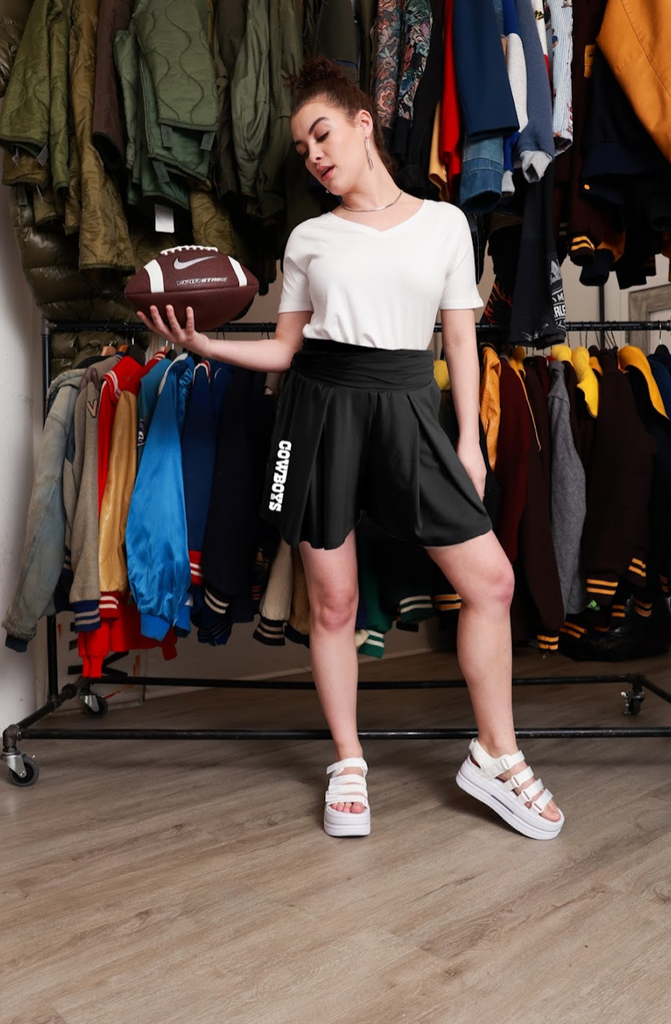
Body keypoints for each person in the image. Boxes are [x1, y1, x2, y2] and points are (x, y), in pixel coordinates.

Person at [135, 56, 564, 842]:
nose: (314, 156)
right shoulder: (309, 238)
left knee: (492, 582)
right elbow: (287, 348)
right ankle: (348, 763)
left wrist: (468, 441)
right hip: (319, 411)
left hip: (408, 406)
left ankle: (496, 756)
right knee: (332, 602)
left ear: (364, 124)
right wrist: (207, 345)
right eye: (303, 149)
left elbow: (459, 339)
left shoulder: (444, 224)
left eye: (322, 135)